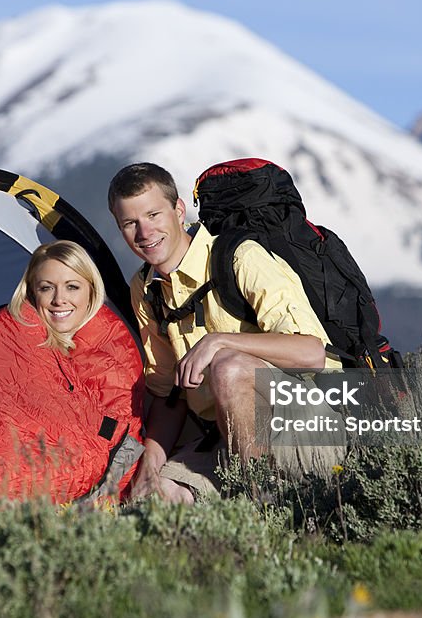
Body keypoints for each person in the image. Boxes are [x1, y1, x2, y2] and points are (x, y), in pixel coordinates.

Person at [108, 162, 342, 503]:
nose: (145, 233)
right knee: (158, 496)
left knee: (229, 366)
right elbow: (166, 394)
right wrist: (149, 468)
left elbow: (312, 352)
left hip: (310, 427)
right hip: (227, 439)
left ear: (178, 209)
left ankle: (261, 506)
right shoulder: (145, 290)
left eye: (154, 215)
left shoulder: (240, 258)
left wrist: (218, 341)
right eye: (130, 223)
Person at [0, 240, 144, 504]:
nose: (58, 300)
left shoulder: (109, 348)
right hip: (2, 436)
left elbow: (119, 433)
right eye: (46, 288)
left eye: (72, 287)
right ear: (31, 292)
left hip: (74, 455)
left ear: (92, 290)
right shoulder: (18, 328)